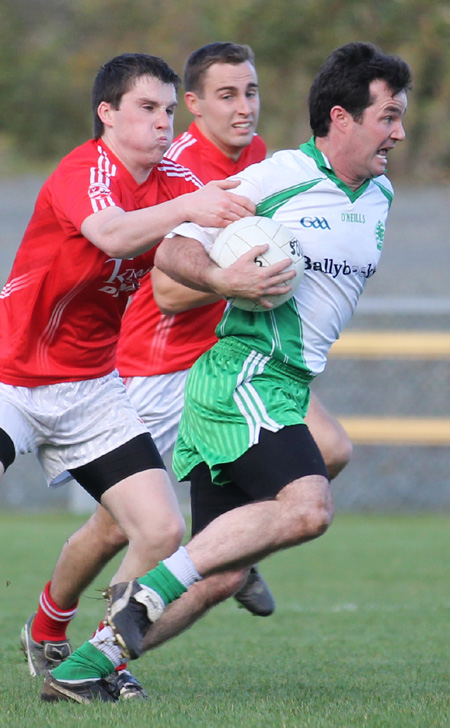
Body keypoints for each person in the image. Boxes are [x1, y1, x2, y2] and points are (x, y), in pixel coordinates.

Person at [42, 40, 412, 704]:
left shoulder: (379, 194)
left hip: (283, 382)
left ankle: (86, 667)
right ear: (342, 118)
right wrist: (222, 276)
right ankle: (135, 592)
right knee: (306, 507)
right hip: (238, 374)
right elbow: (176, 249)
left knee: (216, 571)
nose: (400, 132)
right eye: (388, 117)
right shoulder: (277, 176)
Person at [0, 50, 260, 700]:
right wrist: (191, 206)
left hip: (90, 388)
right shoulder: (83, 170)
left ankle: (93, 664)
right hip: (10, 376)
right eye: (148, 108)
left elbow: (172, 249)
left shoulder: (171, 181)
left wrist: (227, 275)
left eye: (170, 110)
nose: (163, 123)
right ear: (107, 113)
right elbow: (115, 235)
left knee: (162, 530)